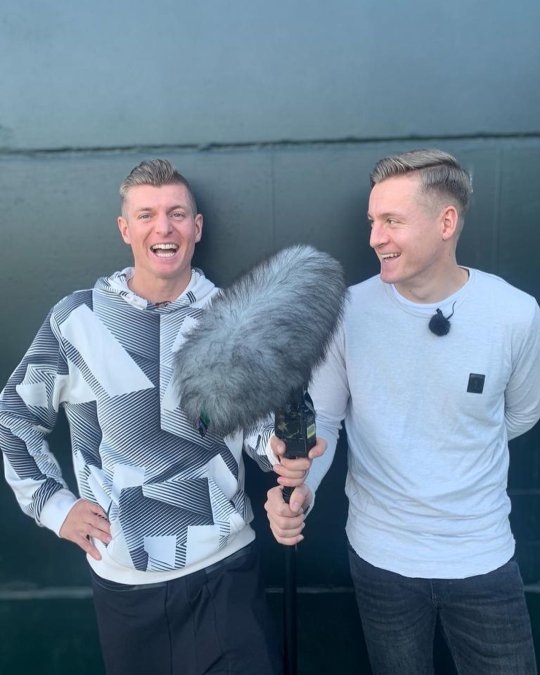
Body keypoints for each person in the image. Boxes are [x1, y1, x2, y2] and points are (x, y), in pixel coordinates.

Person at [0, 158, 318, 675]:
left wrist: (280, 451)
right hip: (127, 588)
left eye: (176, 214)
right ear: (125, 229)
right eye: (146, 215)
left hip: (227, 575)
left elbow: (259, 430)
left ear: (197, 227)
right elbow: (14, 416)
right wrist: (54, 507)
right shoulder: (77, 320)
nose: (163, 228)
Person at [265, 148, 540, 674]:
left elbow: (522, 414)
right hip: (381, 560)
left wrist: (455, 447)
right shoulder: (346, 312)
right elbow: (325, 421)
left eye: (392, 221)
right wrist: (303, 491)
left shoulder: (515, 315)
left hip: (482, 556)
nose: (375, 237)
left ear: (446, 222)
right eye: (372, 221)